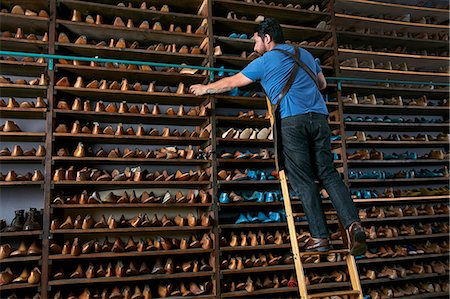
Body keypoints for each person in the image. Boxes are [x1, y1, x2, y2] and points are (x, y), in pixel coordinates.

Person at [190, 18, 366, 256]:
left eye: (256, 40)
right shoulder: (303, 53)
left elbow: (233, 82)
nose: (254, 45)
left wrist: (204, 88)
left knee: (303, 179)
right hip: (320, 119)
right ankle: (353, 224)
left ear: (267, 39)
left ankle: (320, 237)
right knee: (328, 174)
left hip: (293, 121)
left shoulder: (264, 61)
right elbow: (322, 84)